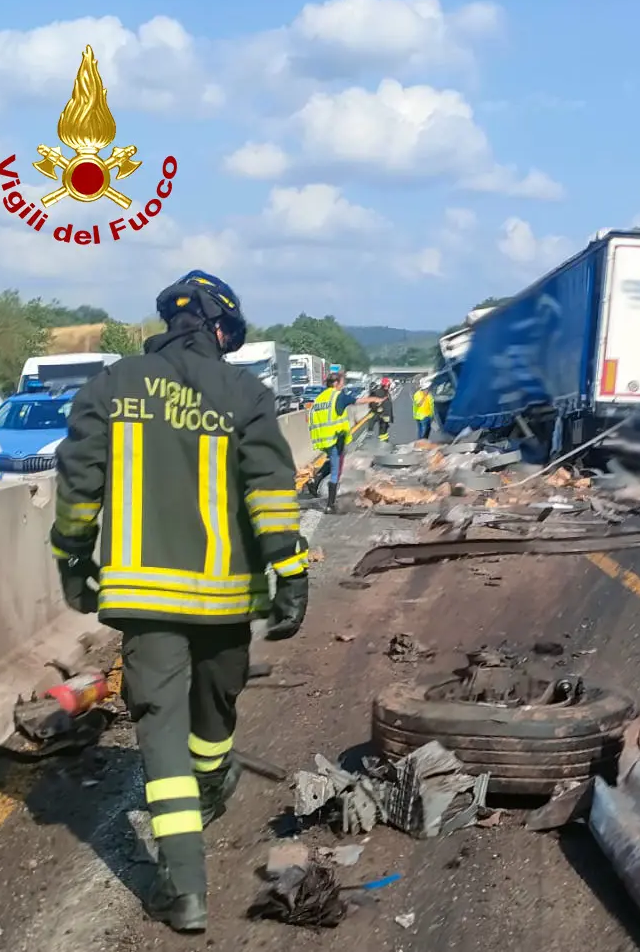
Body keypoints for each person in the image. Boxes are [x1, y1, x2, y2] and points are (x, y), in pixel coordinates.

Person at [49, 270, 310, 935]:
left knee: (160, 729)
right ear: (221, 329)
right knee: (213, 708)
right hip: (225, 601)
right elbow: (270, 492)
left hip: (145, 599)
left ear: (170, 322)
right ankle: (213, 784)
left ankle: (184, 884)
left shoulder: (113, 384)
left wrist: (75, 561)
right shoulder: (245, 391)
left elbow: (79, 487)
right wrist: (293, 573)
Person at [307, 370, 374, 513]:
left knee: (331, 462)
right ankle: (330, 505)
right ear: (336, 383)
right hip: (336, 438)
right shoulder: (337, 396)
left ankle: (315, 480)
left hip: (323, 439)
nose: (343, 385)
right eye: (342, 382)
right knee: (336, 470)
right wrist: (374, 400)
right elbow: (356, 401)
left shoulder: (320, 399)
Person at [368, 376, 393, 443]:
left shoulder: (386, 392)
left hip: (385, 416)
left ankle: (384, 442)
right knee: (383, 430)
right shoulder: (379, 392)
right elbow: (373, 403)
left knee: (384, 430)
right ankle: (383, 444)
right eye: (387, 385)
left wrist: (390, 417)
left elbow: (388, 405)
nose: (388, 386)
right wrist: (379, 409)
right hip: (381, 416)